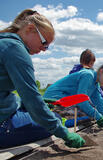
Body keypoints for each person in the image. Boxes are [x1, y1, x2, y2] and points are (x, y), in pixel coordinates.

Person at [0, 9, 84, 148]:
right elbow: (32, 98)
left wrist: (40, 101)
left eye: (48, 46)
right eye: (44, 42)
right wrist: (63, 133)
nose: (45, 49)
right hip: (3, 125)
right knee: (55, 119)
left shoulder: (5, 43)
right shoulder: (15, 49)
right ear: (30, 29)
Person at [44, 62, 103, 127]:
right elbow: (82, 101)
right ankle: (65, 123)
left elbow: (99, 103)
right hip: (54, 99)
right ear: (101, 71)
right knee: (92, 114)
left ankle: (67, 120)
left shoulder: (95, 84)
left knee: (97, 112)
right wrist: (99, 117)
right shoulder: (88, 75)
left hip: (66, 101)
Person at [69, 49, 103, 113]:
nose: (90, 65)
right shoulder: (76, 72)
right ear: (82, 62)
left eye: (92, 64)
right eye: (90, 63)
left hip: (88, 99)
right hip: (76, 100)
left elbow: (97, 88)